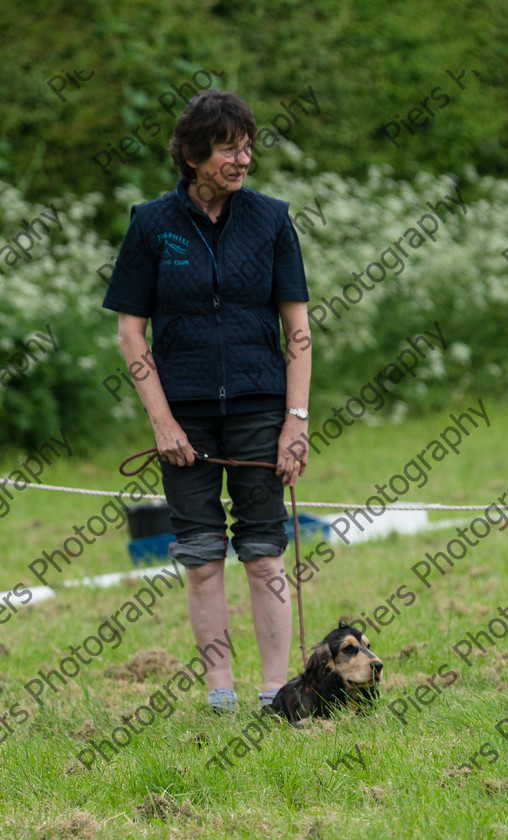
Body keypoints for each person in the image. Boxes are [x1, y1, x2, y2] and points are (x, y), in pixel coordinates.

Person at [103, 90, 311, 714]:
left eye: (247, 147)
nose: (242, 159)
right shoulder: (150, 224)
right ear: (193, 155)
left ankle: (276, 693)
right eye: (228, 148)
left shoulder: (272, 220)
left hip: (260, 408)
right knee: (200, 558)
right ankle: (220, 696)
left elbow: (297, 329)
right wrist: (162, 422)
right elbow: (130, 332)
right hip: (184, 417)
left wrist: (295, 420)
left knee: (265, 551)